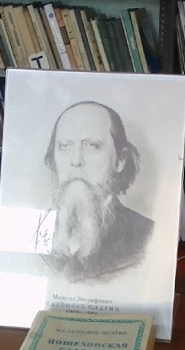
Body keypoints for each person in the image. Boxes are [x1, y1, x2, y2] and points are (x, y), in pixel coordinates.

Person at [32, 101, 154, 282]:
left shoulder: (146, 237)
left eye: (92, 145)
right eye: (65, 145)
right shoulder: (32, 230)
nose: (76, 160)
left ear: (120, 160)